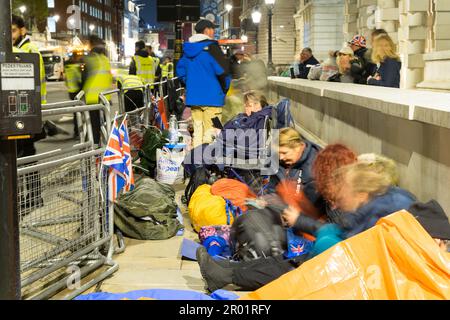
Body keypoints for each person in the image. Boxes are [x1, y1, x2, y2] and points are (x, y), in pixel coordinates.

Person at [196, 150, 418, 292]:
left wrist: (312, 229)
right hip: (359, 265)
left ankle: (228, 274)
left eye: (345, 194)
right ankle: (229, 269)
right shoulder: (381, 201)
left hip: (364, 276)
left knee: (296, 267)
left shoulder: (383, 206)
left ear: (361, 192)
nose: (340, 200)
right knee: (295, 261)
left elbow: (349, 248)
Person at [195, 144, 357, 291]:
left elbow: (340, 240)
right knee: (285, 260)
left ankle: (227, 275)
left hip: (341, 266)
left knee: (289, 267)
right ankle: (228, 268)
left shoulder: (350, 202)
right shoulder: (339, 195)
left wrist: (299, 220)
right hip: (333, 256)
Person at [176, 19, 231, 148]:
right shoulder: (212, 48)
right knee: (212, 132)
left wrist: (190, 84)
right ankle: (207, 164)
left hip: (195, 99)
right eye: (213, 29)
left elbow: (180, 71)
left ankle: (196, 163)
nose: (214, 32)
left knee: (198, 132)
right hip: (213, 99)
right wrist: (223, 90)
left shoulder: (188, 48)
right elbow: (224, 73)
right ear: (207, 30)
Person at [12, 15, 46, 210]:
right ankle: (32, 196)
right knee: (26, 156)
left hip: (27, 112)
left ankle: (31, 197)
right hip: (28, 112)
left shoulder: (27, 50)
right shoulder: (24, 49)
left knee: (25, 156)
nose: (11, 35)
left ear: (23, 30)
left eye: (14, 30)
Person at [81, 35, 113, 145]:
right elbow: (109, 79)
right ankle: (105, 151)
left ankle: (94, 154)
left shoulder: (91, 58)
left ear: (91, 44)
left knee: (92, 130)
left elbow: (84, 78)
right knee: (103, 127)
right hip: (104, 99)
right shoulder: (105, 59)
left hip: (92, 99)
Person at [64, 50, 83, 138]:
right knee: (79, 113)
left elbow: (66, 80)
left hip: (70, 91)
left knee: (76, 112)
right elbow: (79, 80)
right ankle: (79, 132)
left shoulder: (67, 67)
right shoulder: (76, 67)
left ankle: (77, 131)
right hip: (77, 91)